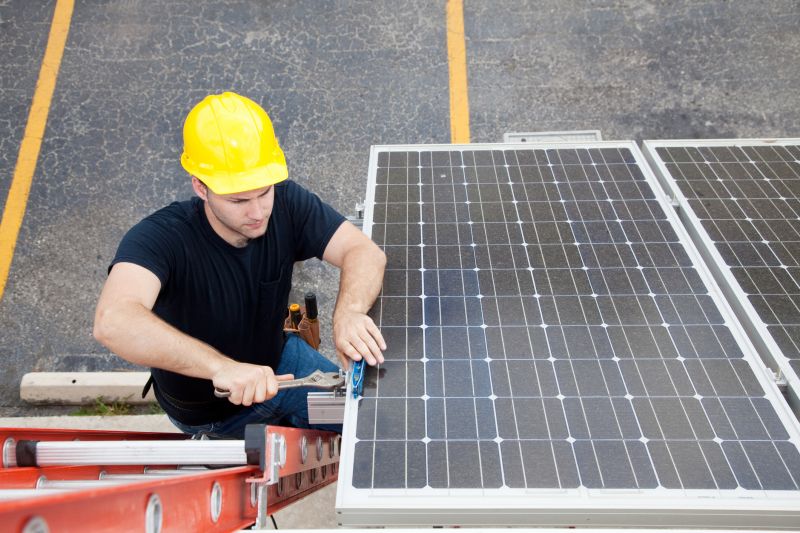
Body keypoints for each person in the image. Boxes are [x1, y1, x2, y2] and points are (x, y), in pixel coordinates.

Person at [93, 92, 386, 439]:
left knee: (377, 422)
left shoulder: (287, 202)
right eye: (238, 200)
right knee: (262, 480)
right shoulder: (162, 238)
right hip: (214, 414)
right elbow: (113, 321)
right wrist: (222, 368)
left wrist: (349, 313)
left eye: (264, 192)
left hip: (285, 365)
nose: (258, 212)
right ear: (201, 187)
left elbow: (363, 251)